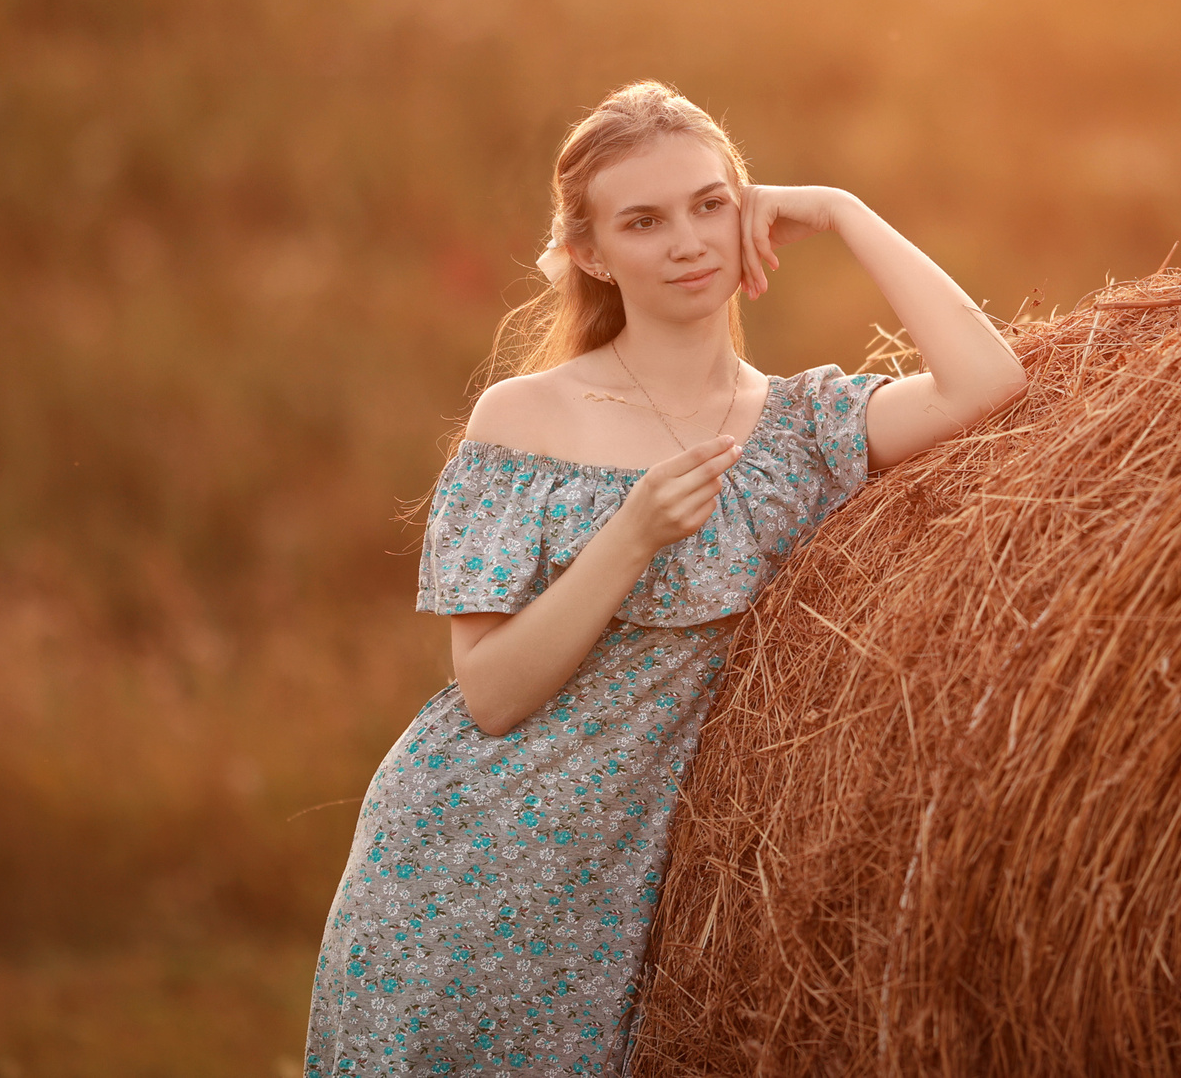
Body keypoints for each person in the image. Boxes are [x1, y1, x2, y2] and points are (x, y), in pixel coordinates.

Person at [303, 81, 1026, 1076]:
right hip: (472, 861)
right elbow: (490, 693)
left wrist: (839, 210)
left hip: (646, 888)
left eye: (709, 204)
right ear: (592, 253)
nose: (687, 242)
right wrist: (628, 538)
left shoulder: (804, 429)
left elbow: (987, 383)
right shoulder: (525, 420)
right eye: (643, 222)